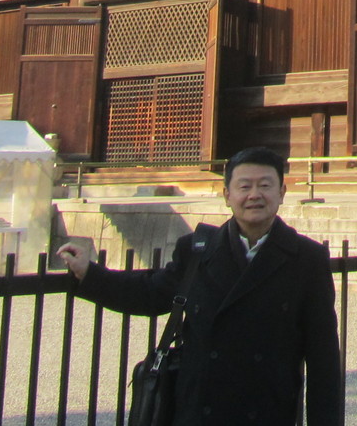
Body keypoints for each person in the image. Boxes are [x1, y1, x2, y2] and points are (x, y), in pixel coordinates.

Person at [57, 146, 342, 426]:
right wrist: (91, 275)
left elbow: (323, 359)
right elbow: (151, 292)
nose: (254, 195)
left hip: (267, 409)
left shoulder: (306, 258)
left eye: (265, 185)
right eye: (244, 186)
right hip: (198, 409)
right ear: (227, 195)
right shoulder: (198, 250)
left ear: (281, 192)